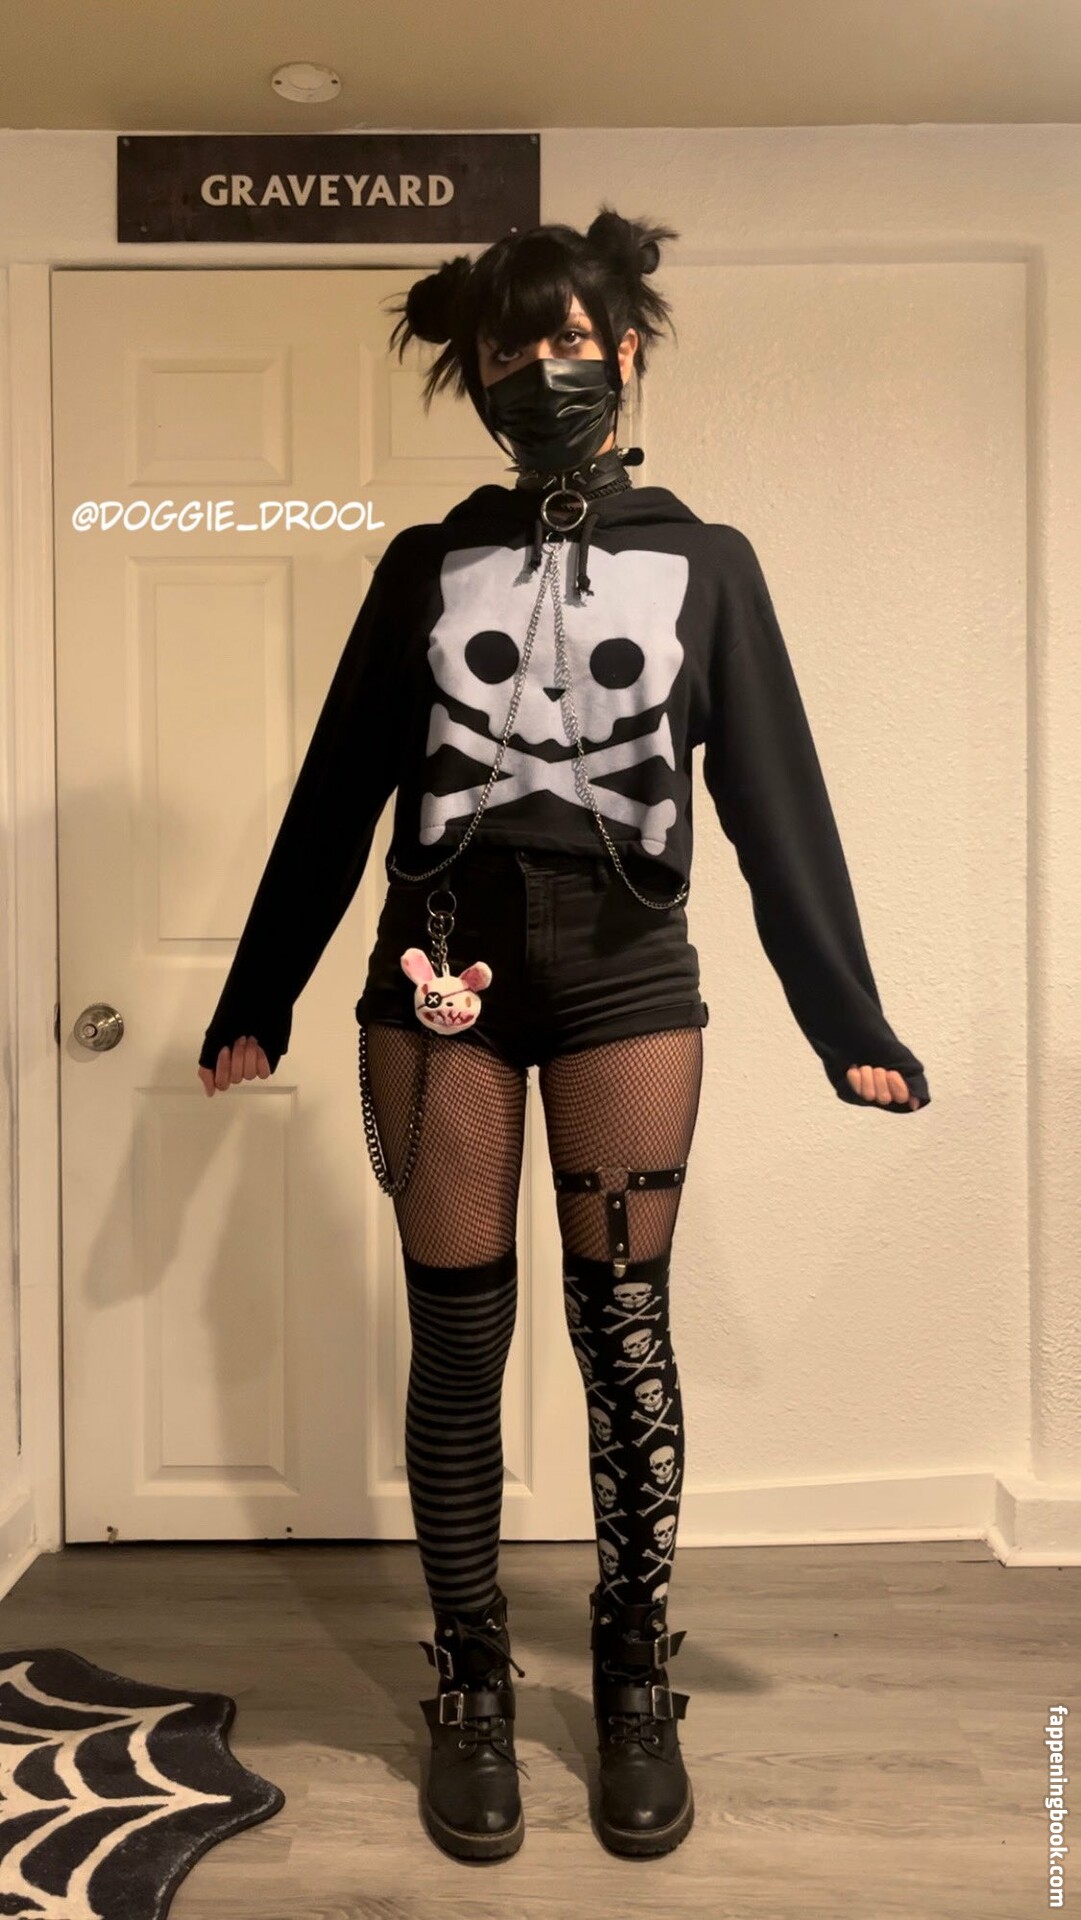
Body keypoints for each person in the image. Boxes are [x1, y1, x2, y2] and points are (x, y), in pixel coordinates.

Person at [197, 205, 930, 1864]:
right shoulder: (424, 564)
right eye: (511, 348)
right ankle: (467, 1680)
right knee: (459, 1339)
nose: (546, 371)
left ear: (630, 351)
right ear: (474, 376)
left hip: (622, 975)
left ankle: (632, 1675)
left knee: (623, 1337)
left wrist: (842, 1010)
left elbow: (773, 800)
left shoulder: (707, 563)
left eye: (574, 339)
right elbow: (338, 790)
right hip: (439, 975)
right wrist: (259, 990)